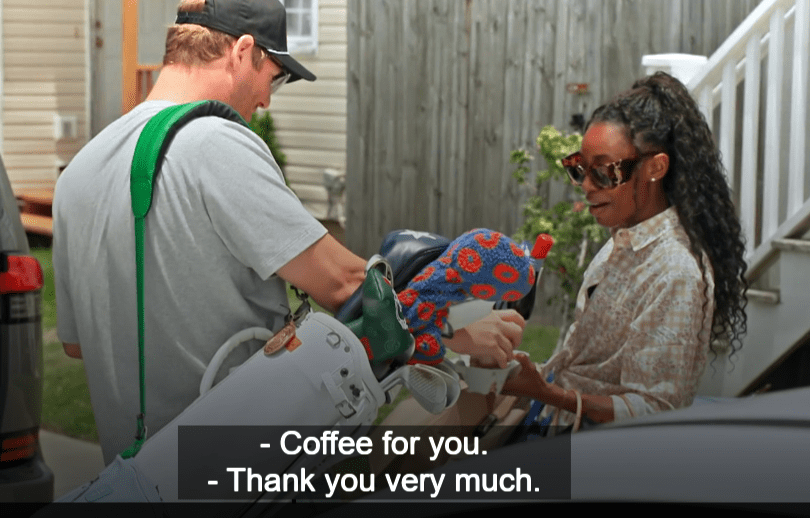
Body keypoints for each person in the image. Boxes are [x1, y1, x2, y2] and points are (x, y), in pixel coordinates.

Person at [54, 0, 523, 464]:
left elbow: (77, 346)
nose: (266, 100)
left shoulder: (78, 173)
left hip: (134, 477)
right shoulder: (213, 142)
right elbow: (346, 284)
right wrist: (460, 332)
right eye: (274, 77)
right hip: (246, 475)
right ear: (242, 51)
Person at [502, 72, 748, 428]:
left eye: (604, 172)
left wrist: (547, 392)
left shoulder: (675, 272)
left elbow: (655, 409)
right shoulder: (625, 238)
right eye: (579, 168)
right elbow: (592, 367)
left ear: (655, 167)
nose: (586, 185)